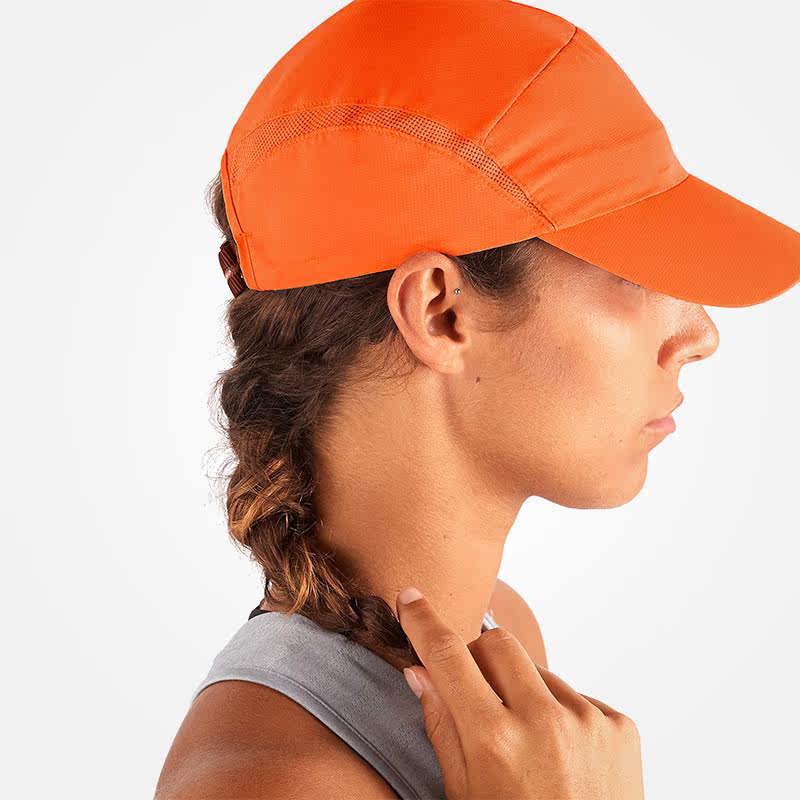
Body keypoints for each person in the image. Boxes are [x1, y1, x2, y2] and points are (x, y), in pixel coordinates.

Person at [154, 1, 800, 797]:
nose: (701, 334)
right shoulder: (272, 786)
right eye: (635, 270)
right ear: (440, 313)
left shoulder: (502, 646)